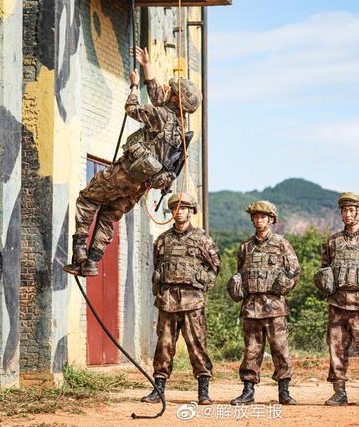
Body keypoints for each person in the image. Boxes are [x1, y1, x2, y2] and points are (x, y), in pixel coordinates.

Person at [64, 47, 201, 276]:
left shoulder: (160, 115)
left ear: (176, 98)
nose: (167, 89)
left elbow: (132, 109)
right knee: (108, 217)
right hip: (140, 187)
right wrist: (147, 66)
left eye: (171, 90)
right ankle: (91, 263)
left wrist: (134, 87)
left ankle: (79, 250)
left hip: (124, 173)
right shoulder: (180, 127)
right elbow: (160, 97)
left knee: (87, 199)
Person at [140, 193, 220, 405]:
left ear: (191, 211)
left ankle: (203, 392)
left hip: (193, 302)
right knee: (164, 346)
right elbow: (157, 267)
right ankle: (158, 390)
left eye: (184, 208)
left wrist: (204, 282)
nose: (179, 212)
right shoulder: (163, 240)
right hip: (168, 301)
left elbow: (215, 267)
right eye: (176, 208)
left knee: (197, 346)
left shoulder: (202, 239)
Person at [314, 192, 359, 406]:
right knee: (336, 349)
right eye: (344, 210)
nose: (346, 214)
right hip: (337, 305)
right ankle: (339, 392)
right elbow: (324, 267)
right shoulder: (333, 241)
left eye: (351, 210)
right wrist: (325, 281)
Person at [227, 201, 300, 405]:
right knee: (251, 350)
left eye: (263, 217)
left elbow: (295, 271)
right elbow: (241, 273)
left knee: (280, 349)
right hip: (251, 308)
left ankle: (284, 392)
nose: (259, 220)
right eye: (256, 217)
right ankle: (248, 391)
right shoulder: (245, 247)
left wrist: (285, 285)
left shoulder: (281, 244)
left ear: (271, 219)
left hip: (275, 307)